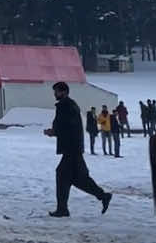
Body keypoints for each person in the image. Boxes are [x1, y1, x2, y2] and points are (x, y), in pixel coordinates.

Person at [43, 80, 112, 218]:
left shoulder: (65, 106)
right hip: (74, 147)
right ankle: (102, 196)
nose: (55, 94)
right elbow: (68, 126)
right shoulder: (70, 105)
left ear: (64, 92)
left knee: (63, 174)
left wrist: (53, 131)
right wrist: (56, 131)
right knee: (79, 178)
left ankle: (63, 209)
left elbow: (66, 126)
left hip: (71, 148)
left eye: (57, 91)